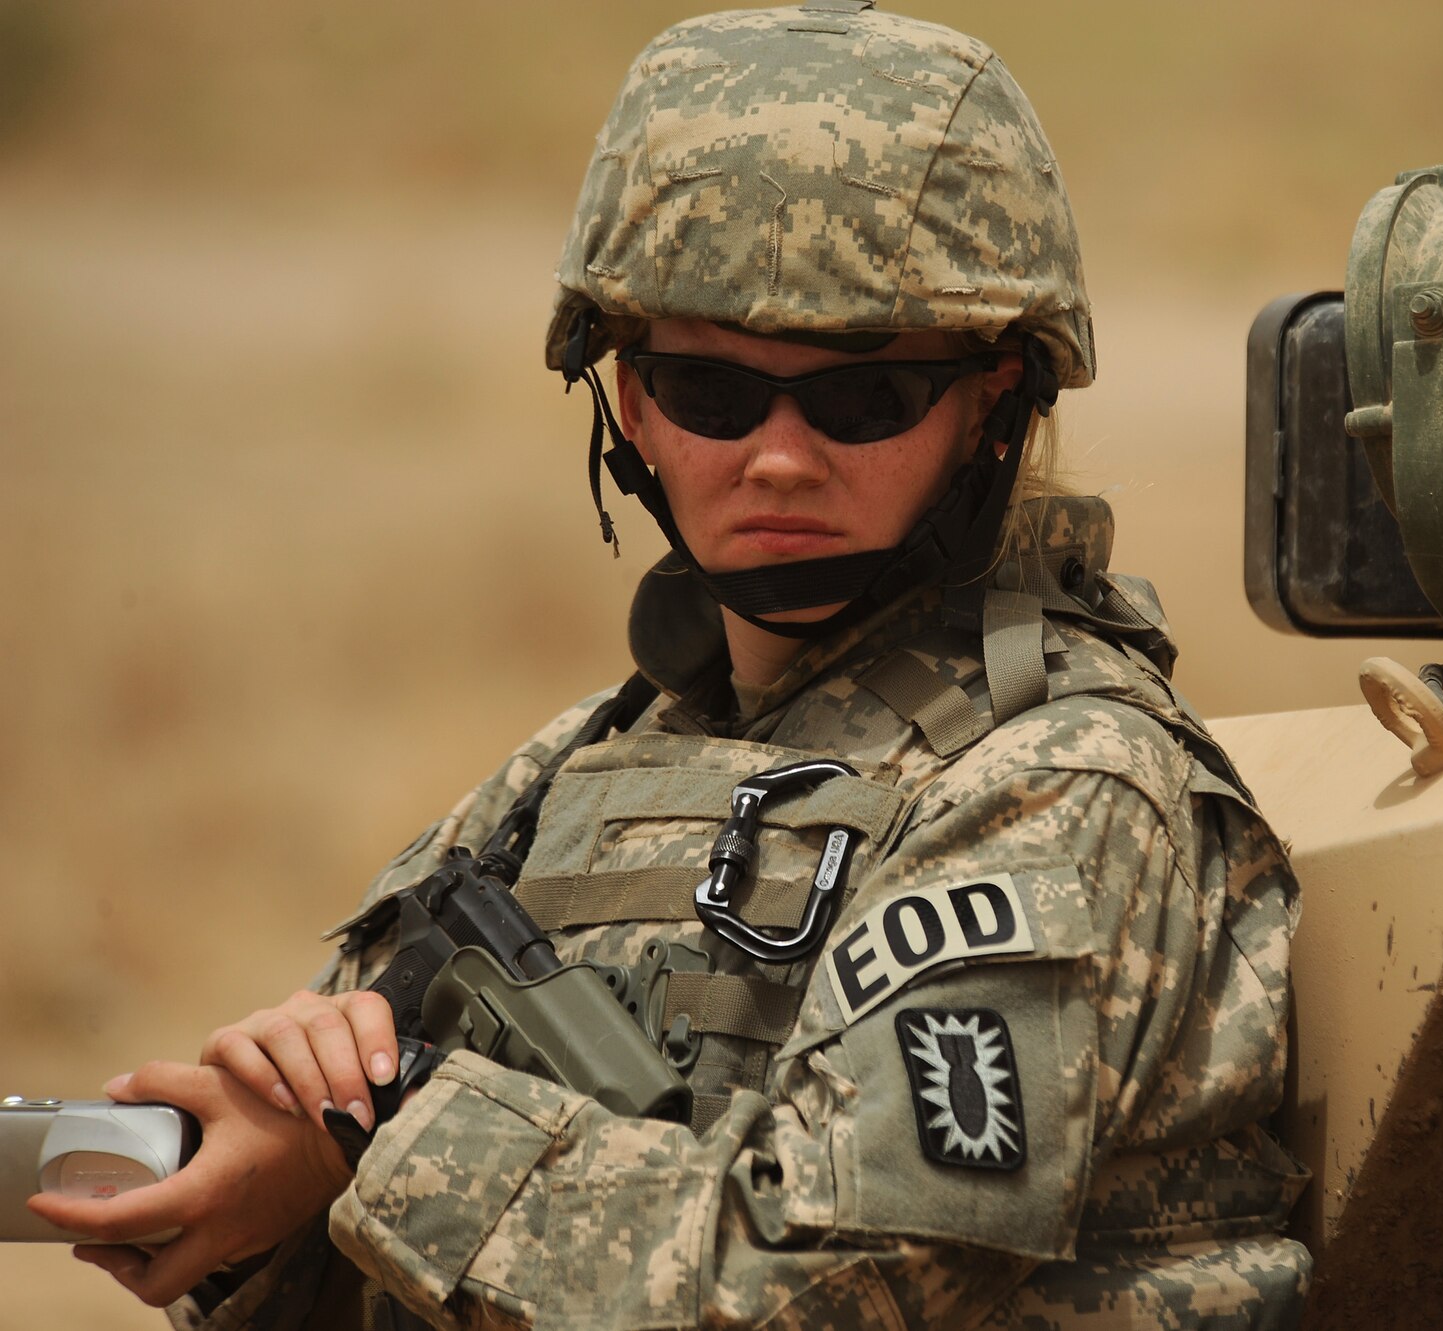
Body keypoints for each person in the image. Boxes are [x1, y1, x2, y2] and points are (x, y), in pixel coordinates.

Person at [32, 5, 1311, 1326]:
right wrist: (263, 1201)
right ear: (630, 401)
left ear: (993, 399)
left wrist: (384, 1141)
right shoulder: (574, 769)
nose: (777, 455)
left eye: (861, 399)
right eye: (711, 393)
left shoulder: (1063, 783)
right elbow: (370, 1231)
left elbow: (832, 1283)